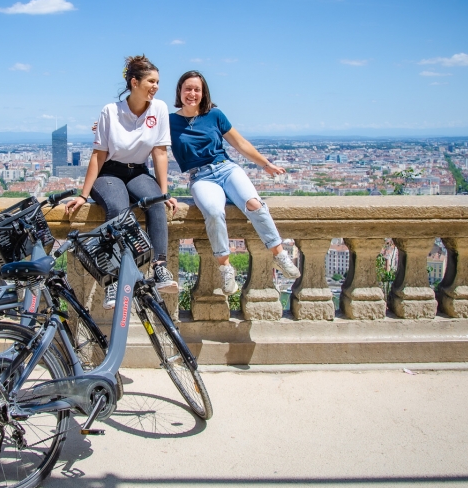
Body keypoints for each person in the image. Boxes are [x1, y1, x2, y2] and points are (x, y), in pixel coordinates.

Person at [169, 70, 300, 295]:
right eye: (187, 89)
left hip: (226, 169)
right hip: (200, 176)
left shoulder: (215, 115)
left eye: (197, 89)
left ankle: (279, 254)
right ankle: (225, 267)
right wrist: (103, 127)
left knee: (254, 204)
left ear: (204, 93)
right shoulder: (169, 121)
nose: (192, 93)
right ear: (179, 91)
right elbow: (141, 130)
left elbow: (240, 143)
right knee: (213, 212)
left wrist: (265, 164)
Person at [63, 55, 179, 308]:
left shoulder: (158, 109)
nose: (156, 86)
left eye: (158, 81)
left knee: (156, 204)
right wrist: (84, 195)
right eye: (151, 81)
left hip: (137, 171)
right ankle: (113, 279)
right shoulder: (111, 111)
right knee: (117, 210)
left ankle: (159, 267)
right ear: (134, 82)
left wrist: (164, 191)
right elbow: (99, 155)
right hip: (109, 172)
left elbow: (160, 152)